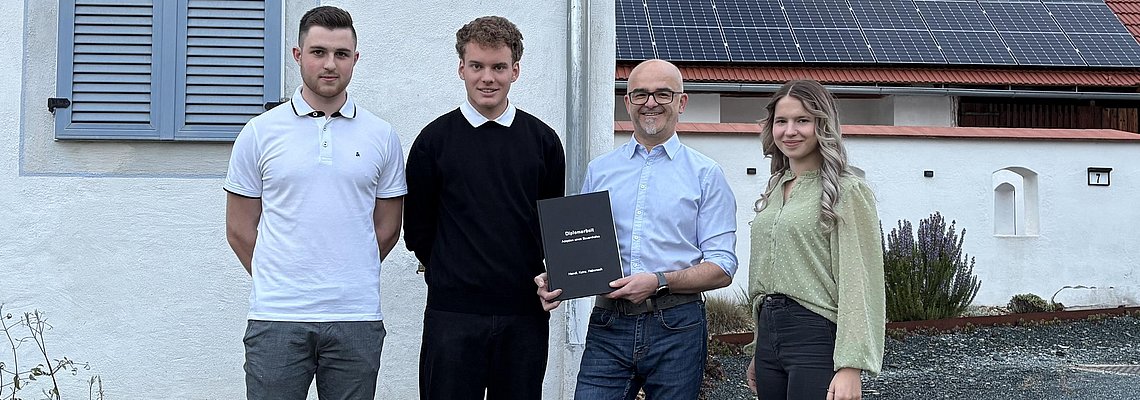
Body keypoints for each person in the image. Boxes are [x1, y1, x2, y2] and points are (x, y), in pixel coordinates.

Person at [224, 6, 405, 399]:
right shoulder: (259, 133)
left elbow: (388, 228)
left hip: (356, 316)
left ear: (355, 59)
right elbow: (239, 229)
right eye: (318, 52)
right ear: (297, 55)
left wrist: (347, 271)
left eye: (341, 54)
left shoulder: (382, 136)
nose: (330, 64)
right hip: (277, 316)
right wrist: (281, 277)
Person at [536, 59, 739, 399]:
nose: (651, 103)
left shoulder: (706, 174)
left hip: (677, 324)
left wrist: (659, 280)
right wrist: (556, 276)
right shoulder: (600, 170)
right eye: (641, 94)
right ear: (627, 102)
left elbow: (723, 267)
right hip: (609, 323)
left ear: (681, 102)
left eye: (663, 94)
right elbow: (581, 248)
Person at [403, 16, 566, 400]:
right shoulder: (432, 142)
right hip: (452, 316)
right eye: (477, 66)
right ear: (461, 68)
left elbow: (552, 227)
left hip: (524, 316)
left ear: (515, 71)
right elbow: (419, 232)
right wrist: (454, 274)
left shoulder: (543, 142)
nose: (487, 78)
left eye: (498, 67)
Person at [744, 80, 885, 400]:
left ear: (823, 124)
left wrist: (851, 365)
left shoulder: (847, 191)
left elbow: (859, 281)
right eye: (781, 121)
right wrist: (761, 346)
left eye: (802, 120)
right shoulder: (776, 187)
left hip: (816, 336)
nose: (790, 131)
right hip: (769, 337)